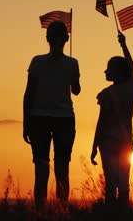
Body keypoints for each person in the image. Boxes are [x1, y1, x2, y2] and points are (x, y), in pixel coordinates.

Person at [23, 20, 81, 212]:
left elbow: (28, 94)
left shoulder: (37, 61)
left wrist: (26, 123)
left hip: (38, 118)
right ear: (66, 39)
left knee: (41, 169)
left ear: (47, 39)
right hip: (64, 119)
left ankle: (41, 212)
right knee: (62, 168)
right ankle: (60, 212)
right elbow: (77, 91)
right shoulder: (72, 63)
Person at [91, 31, 133, 207]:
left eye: (108, 68)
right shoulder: (130, 89)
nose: (105, 70)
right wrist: (124, 45)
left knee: (110, 184)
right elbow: (132, 67)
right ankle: (124, 213)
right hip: (126, 142)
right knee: (124, 183)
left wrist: (94, 145)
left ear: (117, 72)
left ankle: (111, 213)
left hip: (109, 142)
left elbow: (101, 121)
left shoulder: (107, 94)